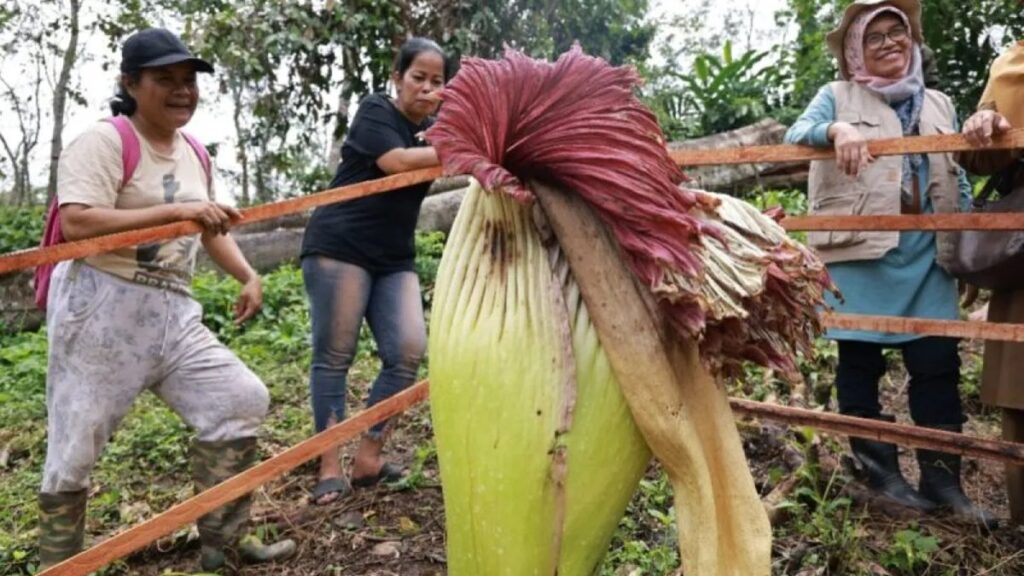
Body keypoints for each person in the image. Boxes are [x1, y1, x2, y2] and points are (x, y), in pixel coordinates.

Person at [37, 28, 295, 570]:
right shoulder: (106, 142)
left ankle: (221, 546)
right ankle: (61, 567)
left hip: (172, 312)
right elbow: (77, 220)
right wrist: (174, 215)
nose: (182, 91)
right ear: (130, 83)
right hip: (103, 311)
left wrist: (247, 274)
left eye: (188, 81)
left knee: (238, 399)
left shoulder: (194, 151)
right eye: (165, 80)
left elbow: (207, 227)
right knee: (74, 448)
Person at [783, 0, 996, 527]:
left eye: (896, 33)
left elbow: (958, 177)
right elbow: (796, 132)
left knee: (938, 369)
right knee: (861, 366)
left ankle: (944, 483)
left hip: (928, 257)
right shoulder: (837, 95)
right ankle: (883, 477)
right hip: (861, 254)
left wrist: (965, 243)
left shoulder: (941, 103)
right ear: (856, 49)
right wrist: (837, 131)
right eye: (873, 37)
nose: (888, 44)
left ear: (912, 40)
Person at [300, 37, 449, 505]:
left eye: (437, 81)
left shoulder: (439, 132)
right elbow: (397, 163)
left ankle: (368, 458)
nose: (426, 89)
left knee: (407, 349)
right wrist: (464, 148)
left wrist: (459, 142)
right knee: (335, 355)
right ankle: (328, 466)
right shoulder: (375, 111)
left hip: (393, 256)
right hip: (340, 245)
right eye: (418, 78)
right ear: (397, 77)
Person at [958, 38, 1024, 524]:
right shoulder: (1010, 63)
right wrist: (985, 129)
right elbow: (974, 158)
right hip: (1023, 250)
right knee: (1020, 394)